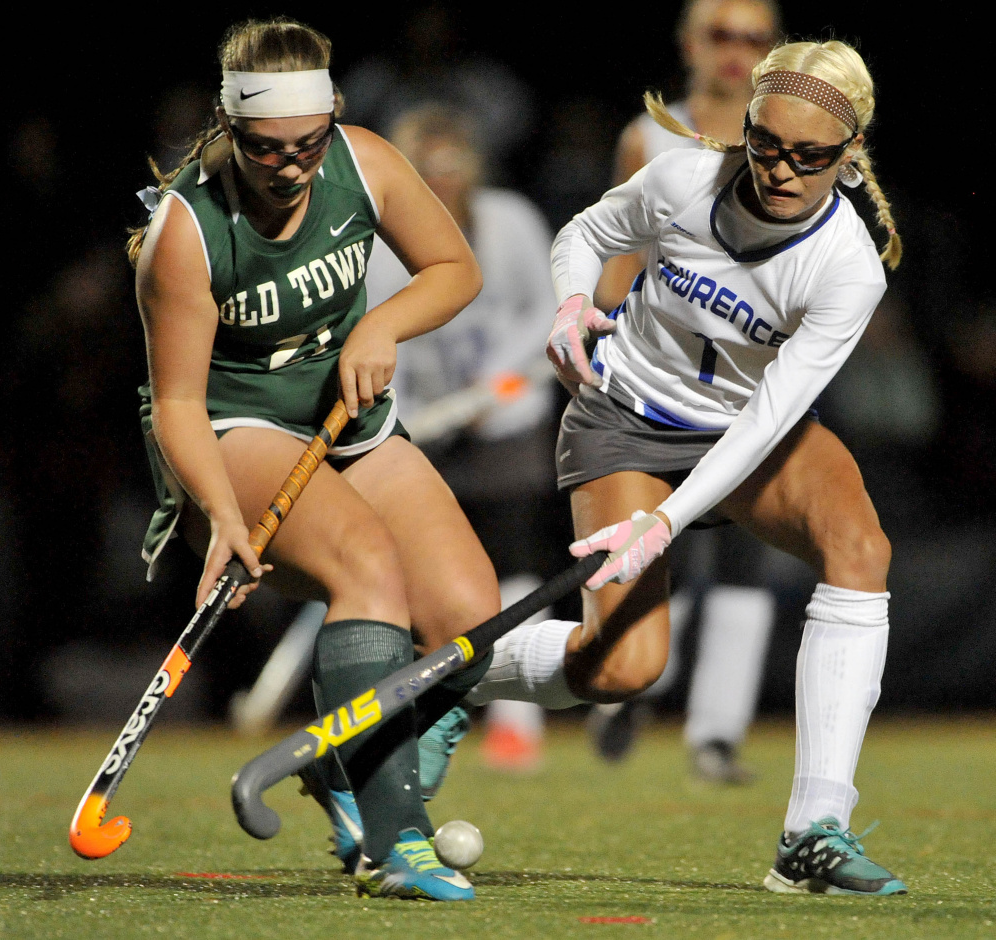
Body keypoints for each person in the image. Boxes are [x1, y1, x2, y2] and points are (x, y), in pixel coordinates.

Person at [469, 38, 909, 895]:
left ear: (849, 159)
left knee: (859, 547)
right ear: (744, 127)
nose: (782, 171)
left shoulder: (847, 269)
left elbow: (768, 421)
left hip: (745, 435)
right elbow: (587, 233)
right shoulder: (679, 181)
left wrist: (666, 522)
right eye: (766, 145)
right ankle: (459, 678)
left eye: (811, 157)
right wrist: (569, 300)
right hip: (626, 418)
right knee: (624, 669)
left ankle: (811, 831)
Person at [128, 17, 505, 901]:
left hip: (345, 418)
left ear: (332, 116)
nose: (290, 168)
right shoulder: (184, 233)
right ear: (230, 130)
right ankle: (394, 841)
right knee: (365, 569)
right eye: (265, 150)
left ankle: (343, 767)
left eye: (307, 144)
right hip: (235, 433)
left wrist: (380, 323)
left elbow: (454, 266)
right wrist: (220, 515)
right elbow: (176, 401)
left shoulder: (364, 160)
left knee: (467, 624)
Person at [589, 0, 782, 783]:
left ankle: (715, 735)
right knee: (644, 547)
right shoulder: (650, 135)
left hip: (756, 384)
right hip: (659, 384)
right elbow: (617, 256)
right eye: (719, 34)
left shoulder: (794, 139)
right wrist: (594, 346)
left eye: (754, 38)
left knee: (742, 559)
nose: (735, 52)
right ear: (687, 44)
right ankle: (630, 685)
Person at [364, 103, 560, 772]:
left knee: (509, 566)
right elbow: (381, 339)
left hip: (507, 422)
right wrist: (412, 417)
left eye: (451, 166)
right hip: (426, 433)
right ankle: (421, 714)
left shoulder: (510, 222)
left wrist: (494, 384)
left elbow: (547, 310)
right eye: (425, 169)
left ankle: (515, 724)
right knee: (425, 579)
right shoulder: (378, 249)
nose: (440, 181)